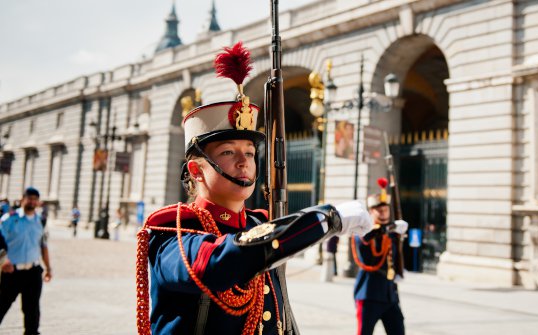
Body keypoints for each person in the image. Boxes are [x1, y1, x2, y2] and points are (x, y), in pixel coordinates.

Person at [135, 42, 372, 335]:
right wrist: (325, 219)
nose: (243, 162)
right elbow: (219, 263)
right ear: (196, 170)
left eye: (249, 153)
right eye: (227, 153)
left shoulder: (259, 223)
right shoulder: (174, 231)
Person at [352, 178, 408, 335]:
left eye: (386, 210)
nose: (384, 213)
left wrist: (399, 270)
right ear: (371, 212)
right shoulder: (363, 232)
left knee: (398, 330)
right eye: (379, 210)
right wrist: (392, 227)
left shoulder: (392, 232)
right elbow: (367, 244)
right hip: (369, 294)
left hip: (390, 295)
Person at [0, 187, 52, 335]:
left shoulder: (40, 221)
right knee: (2, 305)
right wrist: (3, 261)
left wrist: (48, 268)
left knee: (32, 310)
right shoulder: (9, 219)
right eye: (30, 198)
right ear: (23, 199)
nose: (32, 202)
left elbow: (43, 246)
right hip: (11, 271)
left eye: (35, 199)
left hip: (33, 272)